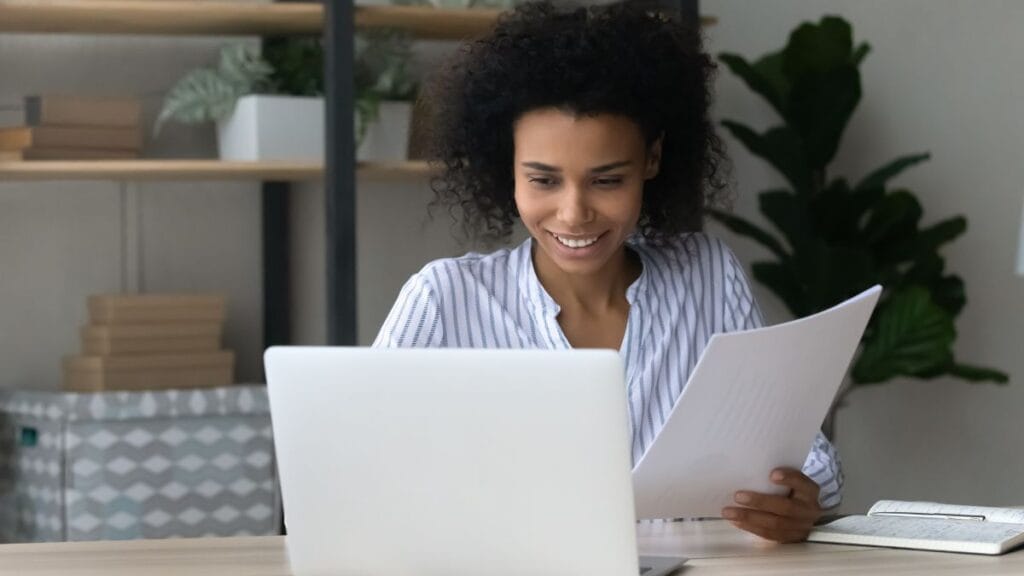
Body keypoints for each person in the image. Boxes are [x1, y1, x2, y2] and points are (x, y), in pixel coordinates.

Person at [374, 0, 840, 543]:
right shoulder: (444, 300)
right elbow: (360, 474)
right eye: (544, 181)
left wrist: (801, 499)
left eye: (607, 180)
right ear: (508, 169)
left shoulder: (707, 276)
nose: (574, 213)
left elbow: (807, 456)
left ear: (652, 160)